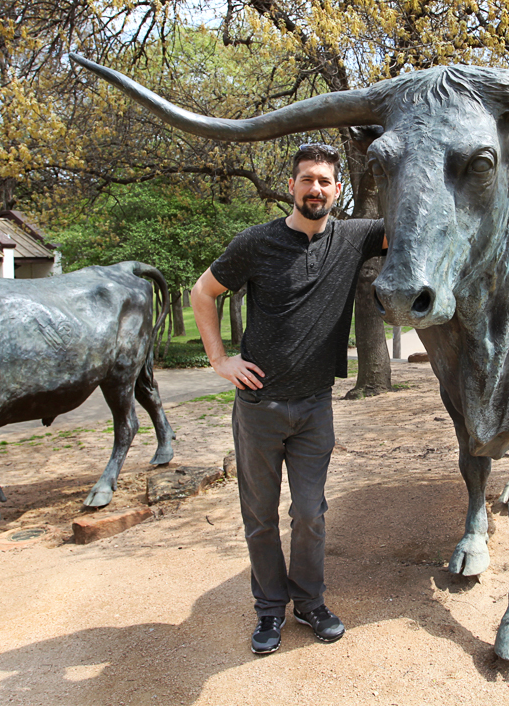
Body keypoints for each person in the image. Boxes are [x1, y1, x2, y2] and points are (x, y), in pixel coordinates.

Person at [191, 143, 386, 655]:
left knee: (310, 512)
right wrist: (219, 360)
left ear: (337, 190)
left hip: (315, 408)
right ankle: (269, 610)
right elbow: (202, 293)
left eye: (324, 181)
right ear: (292, 186)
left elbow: (415, 226)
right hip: (259, 409)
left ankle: (310, 602)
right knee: (260, 516)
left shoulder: (355, 237)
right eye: (307, 180)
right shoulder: (255, 243)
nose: (315, 189)